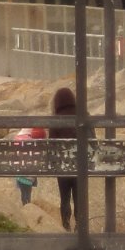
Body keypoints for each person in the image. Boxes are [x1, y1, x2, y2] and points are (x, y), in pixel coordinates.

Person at [49, 87, 79, 230]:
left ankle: (66, 225)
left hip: (63, 166)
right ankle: (80, 226)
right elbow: (92, 141)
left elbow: (52, 145)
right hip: (80, 166)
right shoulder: (82, 115)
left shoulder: (56, 119)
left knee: (65, 198)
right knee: (80, 198)